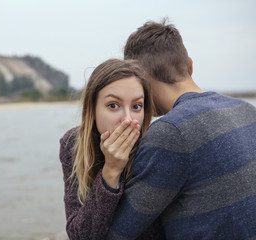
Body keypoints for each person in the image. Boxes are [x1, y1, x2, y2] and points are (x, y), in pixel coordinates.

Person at [106, 19, 256, 240]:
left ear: (140, 80)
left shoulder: (170, 131)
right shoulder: (246, 110)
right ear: (190, 65)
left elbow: (119, 232)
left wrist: (109, 170)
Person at [59, 59, 165, 239]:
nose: (127, 119)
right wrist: (111, 171)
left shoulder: (155, 147)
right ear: (92, 108)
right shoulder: (72, 144)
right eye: (113, 105)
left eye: (136, 106)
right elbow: (79, 235)